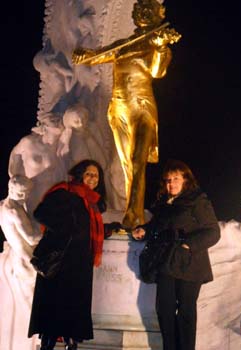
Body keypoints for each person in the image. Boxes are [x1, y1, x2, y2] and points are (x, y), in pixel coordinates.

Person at [72, 0, 181, 228]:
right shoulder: (123, 44)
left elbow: (157, 71)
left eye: (148, 10)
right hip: (119, 107)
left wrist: (160, 47)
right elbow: (99, 56)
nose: (142, 13)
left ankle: (132, 216)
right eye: (139, 9)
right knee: (126, 165)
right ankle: (136, 212)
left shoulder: (156, 43)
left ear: (158, 15)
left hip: (141, 107)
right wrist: (85, 56)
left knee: (137, 159)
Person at [132, 159, 220, 350]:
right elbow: (158, 226)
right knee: (164, 309)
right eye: (168, 180)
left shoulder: (197, 200)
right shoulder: (164, 203)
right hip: (167, 261)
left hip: (190, 262)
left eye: (176, 179)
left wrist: (189, 245)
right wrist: (144, 230)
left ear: (186, 180)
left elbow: (213, 232)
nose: (171, 183)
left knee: (186, 311)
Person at [28, 159, 114, 350]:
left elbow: (86, 227)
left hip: (80, 263)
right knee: (54, 310)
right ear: (80, 174)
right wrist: (65, 229)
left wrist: (109, 229)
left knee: (73, 313)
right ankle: (47, 346)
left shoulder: (93, 202)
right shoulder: (64, 191)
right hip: (61, 260)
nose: (92, 178)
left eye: (96, 175)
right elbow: (41, 213)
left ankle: (71, 345)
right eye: (89, 173)